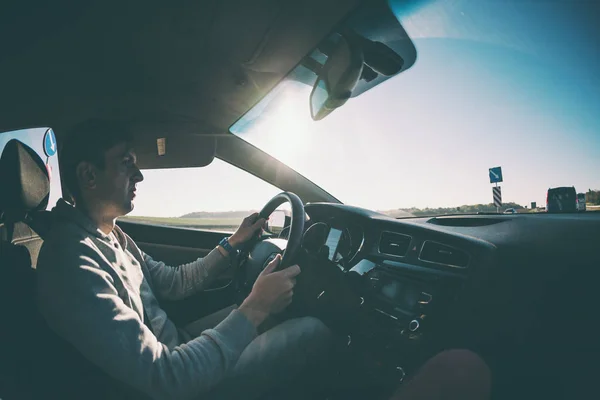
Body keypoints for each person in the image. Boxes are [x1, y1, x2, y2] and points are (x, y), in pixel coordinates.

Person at [36, 121, 332, 400]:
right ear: (89, 175)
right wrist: (256, 307)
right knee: (312, 330)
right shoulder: (71, 261)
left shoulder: (112, 236)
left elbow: (173, 282)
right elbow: (164, 376)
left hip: (180, 347)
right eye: (126, 163)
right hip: (179, 381)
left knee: (273, 316)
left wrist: (232, 243)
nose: (139, 175)